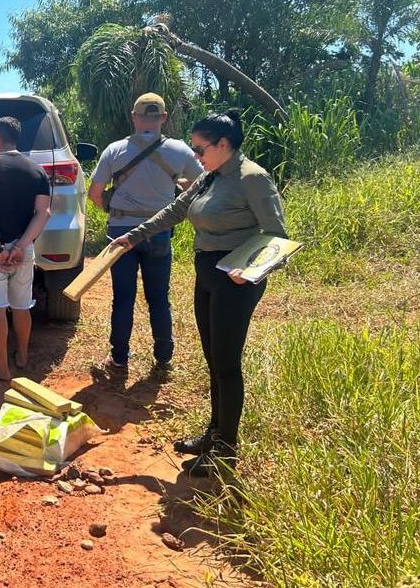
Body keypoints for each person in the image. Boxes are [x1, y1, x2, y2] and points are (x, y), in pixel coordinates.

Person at [111, 109, 287, 477]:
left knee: (227, 363)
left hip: (236, 280)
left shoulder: (252, 178)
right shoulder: (210, 177)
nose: (195, 155)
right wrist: (134, 236)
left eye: (200, 148)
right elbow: (176, 210)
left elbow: (277, 236)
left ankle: (226, 450)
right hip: (207, 273)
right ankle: (213, 434)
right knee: (213, 360)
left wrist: (250, 272)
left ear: (223, 144)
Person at [88, 93, 202, 373]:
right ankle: (163, 356)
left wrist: (112, 211)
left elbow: (95, 193)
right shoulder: (180, 151)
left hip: (121, 232)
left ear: (134, 117)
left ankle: (119, 357)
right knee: (159, 297)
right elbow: (202, 185)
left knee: (123, 298)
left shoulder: (115, 150)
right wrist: (177, 187)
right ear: (163, 118)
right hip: (159, 230)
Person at [0, 117, 51, 381]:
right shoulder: (37, 171)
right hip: (23, 251)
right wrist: (21, 246)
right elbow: (43, 213)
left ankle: (1, 368)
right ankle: (22, 356)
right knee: (22, 306)